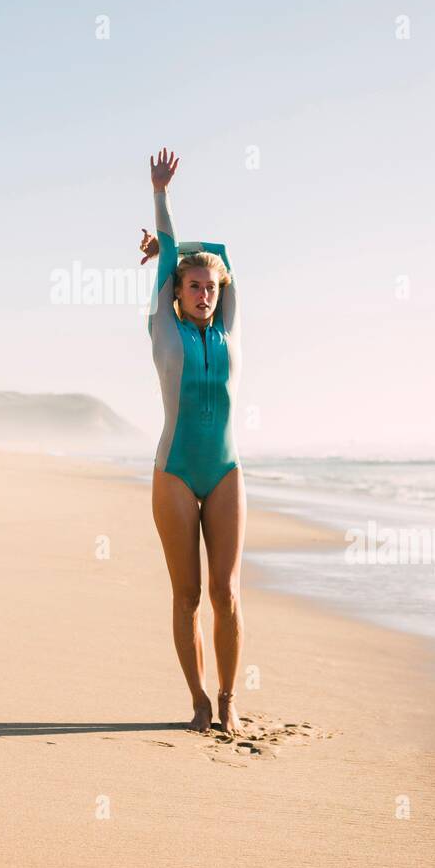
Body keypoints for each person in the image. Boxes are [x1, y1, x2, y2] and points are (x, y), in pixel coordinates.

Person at [140, 148, 246, 736]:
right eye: (193, 284)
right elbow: (178, 266)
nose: (204, 292)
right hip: (175, 471)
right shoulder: (163, 326)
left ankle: (229, 697)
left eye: (211, 286)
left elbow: (227, 256)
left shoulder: (229, 327)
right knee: (188, 596)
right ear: (176, 291)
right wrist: (162, 205)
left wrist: (175, 251)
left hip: (225, 469)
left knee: (226, 593)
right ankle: (199, 701)